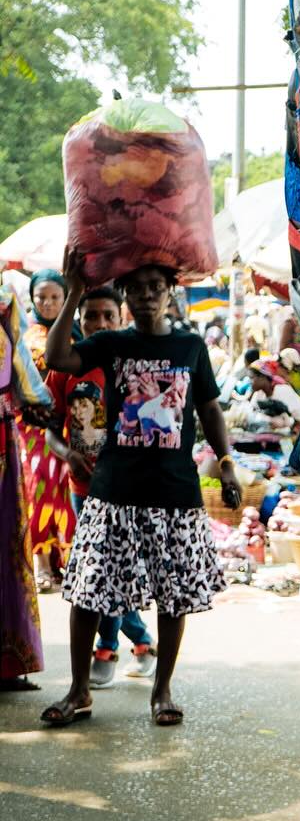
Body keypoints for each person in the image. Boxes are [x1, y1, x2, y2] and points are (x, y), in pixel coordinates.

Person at [38, 255, 241, 728]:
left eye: (155, 286)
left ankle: (162, 690)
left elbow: (209, 410)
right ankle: (78, 690)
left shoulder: (192, 347)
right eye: (137, 288)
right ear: (126, 295)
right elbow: (56, 358)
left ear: (171, 290)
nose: (147, 295)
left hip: (174, 495)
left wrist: (227, 463)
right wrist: (72, 292)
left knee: (173, 597)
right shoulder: (110, 343)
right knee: (88, 592)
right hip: (112, 492)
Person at [46, 285, 157, 688]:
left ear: (122, 317)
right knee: (100, 570)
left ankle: (106, 649)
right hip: (82, 487)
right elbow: (50, 430)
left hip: (126, 487)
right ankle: (142, 643)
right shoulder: (66, 367)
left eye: (108, 316)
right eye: (92, 316)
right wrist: (66, 453)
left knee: (110, 570)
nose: (100, 323)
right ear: (80, 319)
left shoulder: (135, 368)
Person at [19, 269, 78, 592]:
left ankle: (67, 562)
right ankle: (41, 562)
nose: (48, 302)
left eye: (56, 296)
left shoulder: (76, 333)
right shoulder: (25, 337)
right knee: (40, 492)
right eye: (41, 296)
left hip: (71, 427)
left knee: (67, 494)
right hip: (35, 429)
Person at [0, 283, 44, 688]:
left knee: (5, 545)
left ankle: (7, 663)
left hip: (1, 433)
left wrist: (37, 400)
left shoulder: (5, 299)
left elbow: (23, 365)